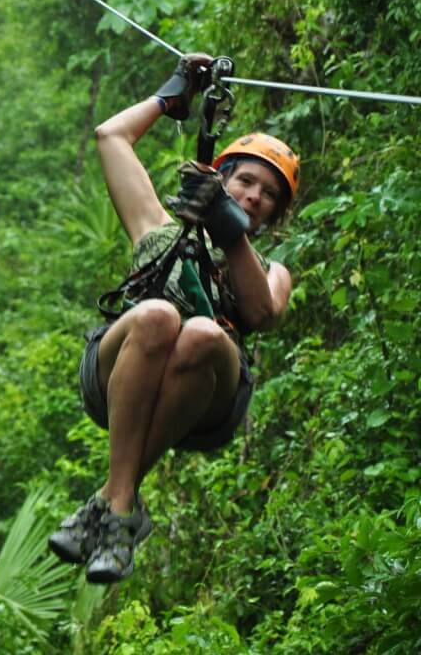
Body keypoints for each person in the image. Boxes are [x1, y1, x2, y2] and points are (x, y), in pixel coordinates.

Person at [47, 53, 301, 584]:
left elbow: (262, 311)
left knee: (205, 332)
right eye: (246, 183)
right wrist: (175, 93)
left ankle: (111, 506)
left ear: (274, 216)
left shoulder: (270, 270)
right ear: (222, 178)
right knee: (159, 315)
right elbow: (110, 137)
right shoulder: (157, 227)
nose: (254, 197)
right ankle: (120, 508)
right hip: (117, 370)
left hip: (208, 396)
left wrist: (228, 227)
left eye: (268, 195)